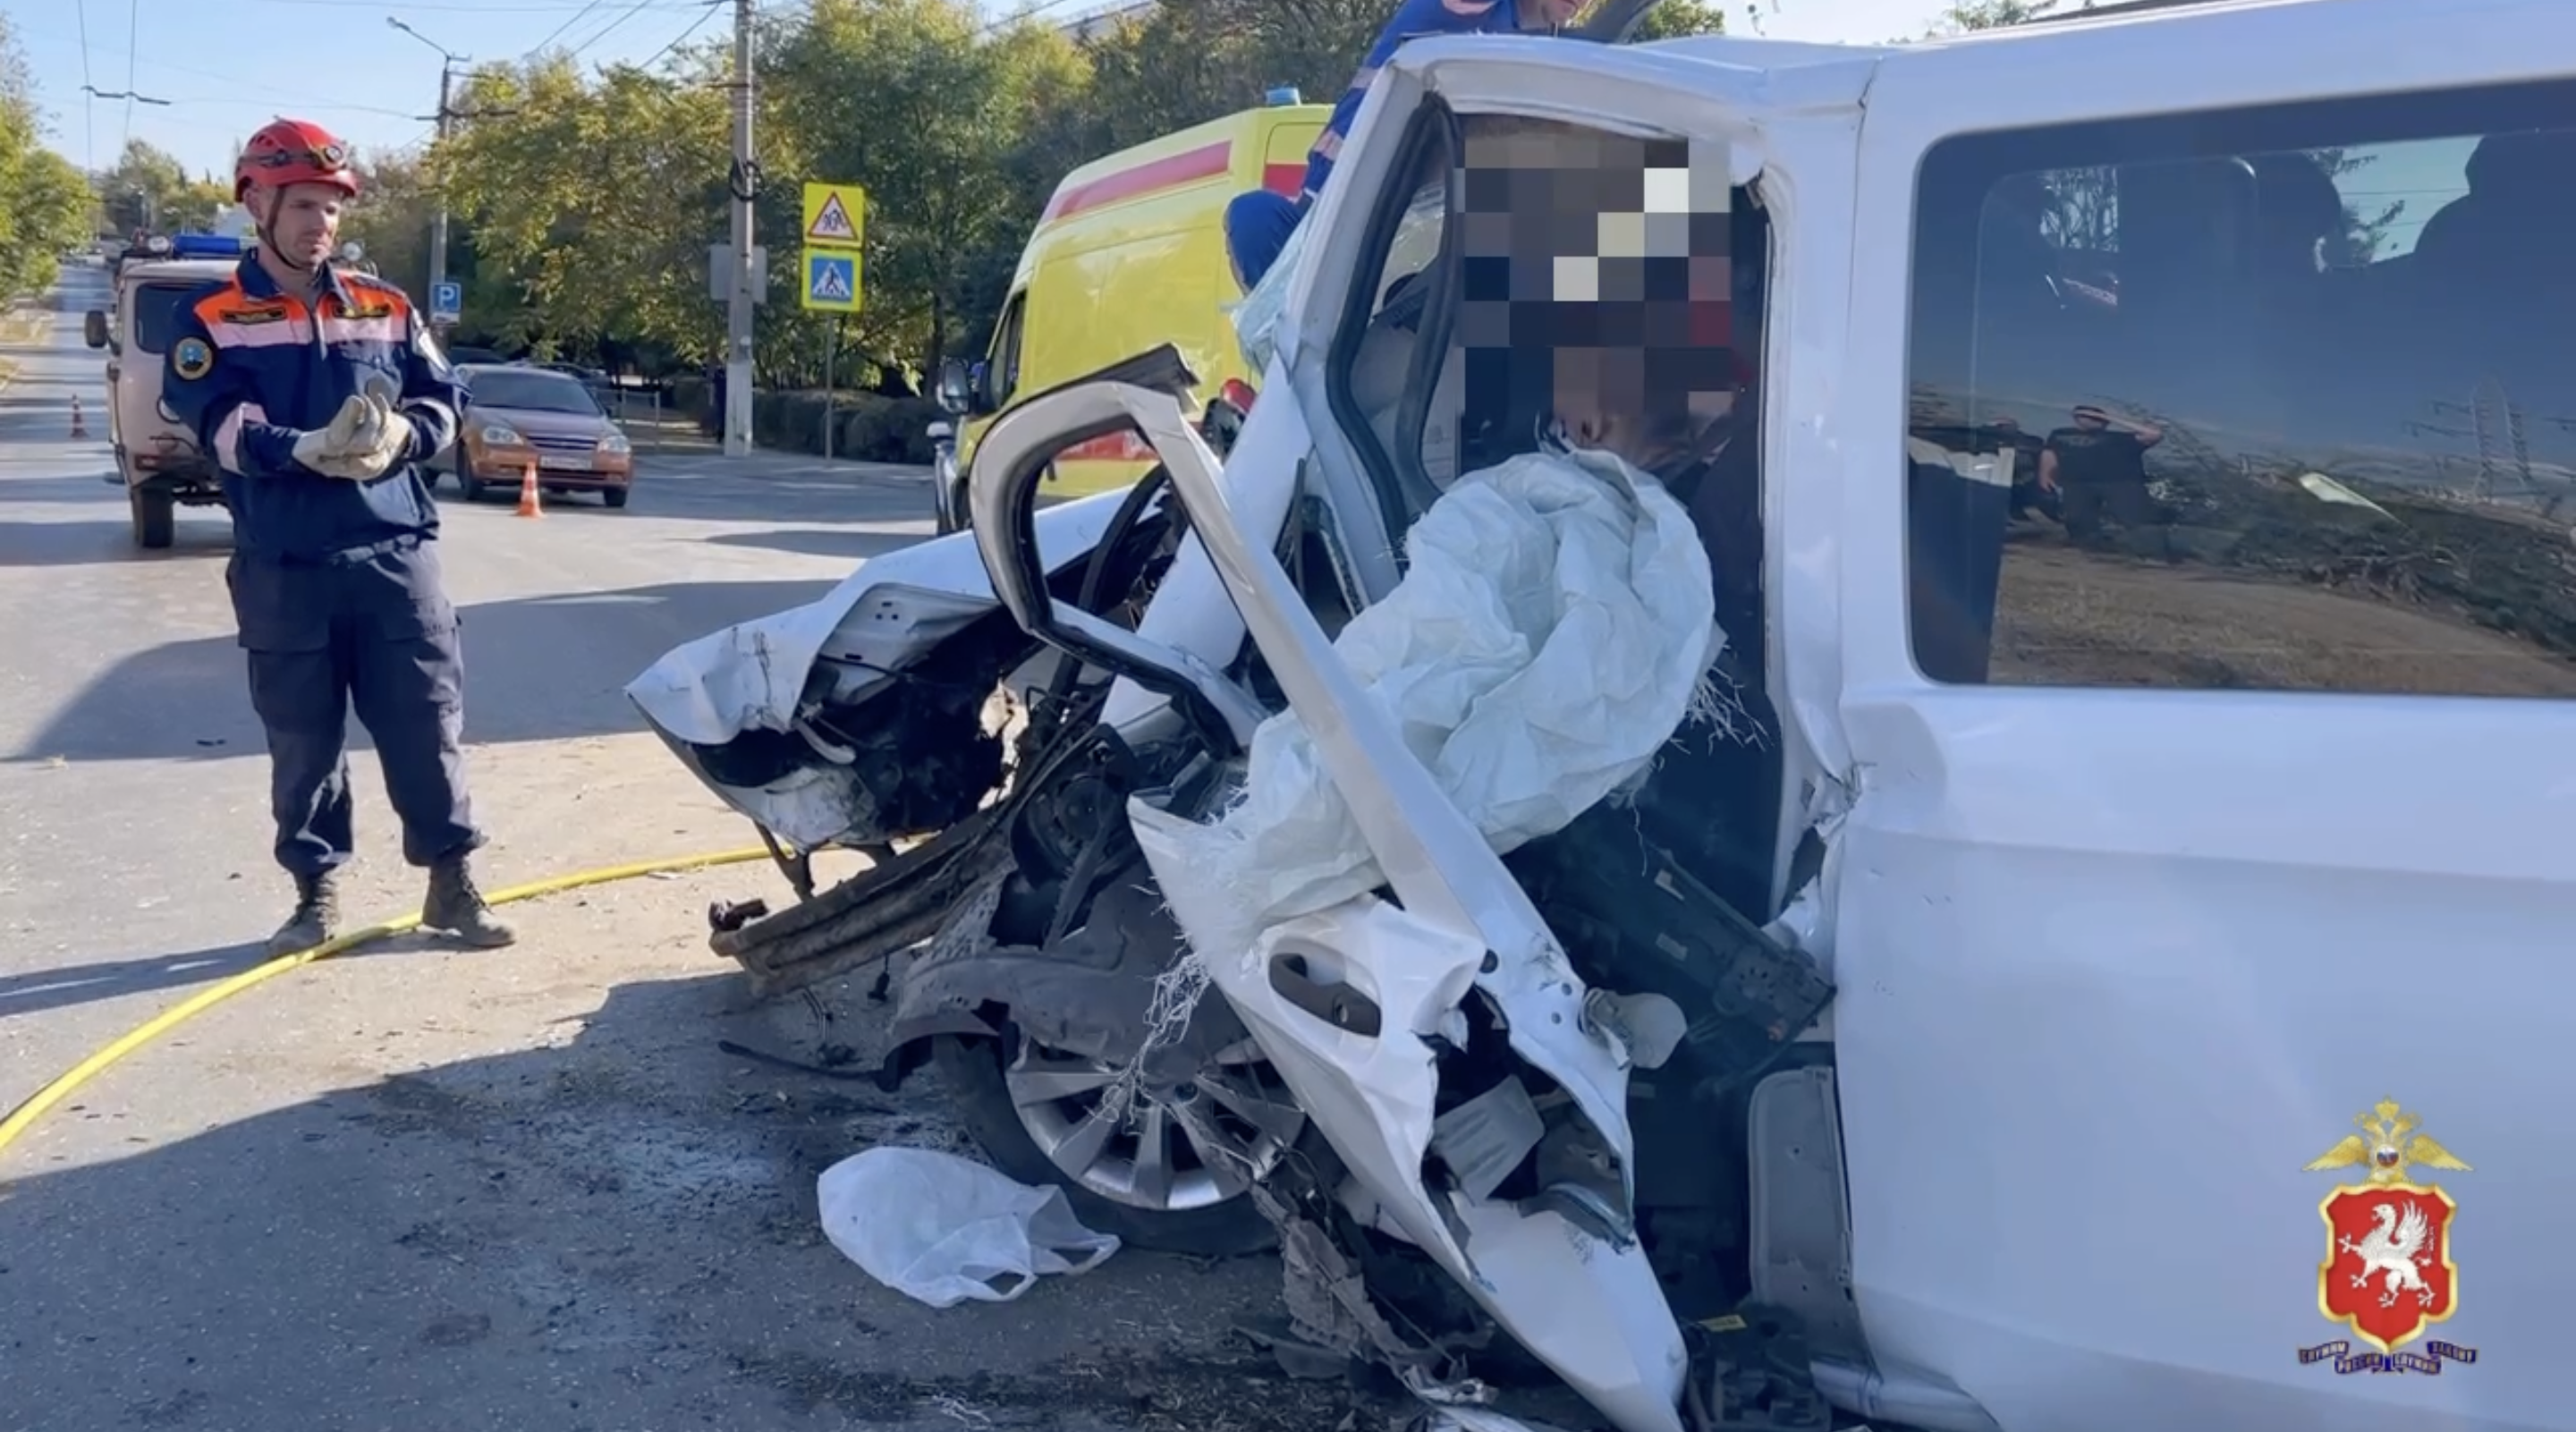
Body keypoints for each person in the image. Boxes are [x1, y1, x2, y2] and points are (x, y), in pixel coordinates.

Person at [163, 118, 515, 955]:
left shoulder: (385, 305)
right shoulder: (210, 316)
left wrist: (409, 438)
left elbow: (443, 396)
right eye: (305, 205)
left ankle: (451, 886)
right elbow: (211, 420)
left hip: (395, 555)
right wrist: (301, 449)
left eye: (331, 207)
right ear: (259, 202)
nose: (321, 222)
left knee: (428, 724)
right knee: (304, 738)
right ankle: (315, 894)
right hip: (287, 564)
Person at [1224, 0, 1584, 292]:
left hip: (1404, 237)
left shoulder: (1548, 45)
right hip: (1329, 220)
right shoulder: (1477, 11)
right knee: (1253, 217)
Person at [2038, 403, 2162, 540]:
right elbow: (2050, 453)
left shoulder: (2122, 438)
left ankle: (2149, 550)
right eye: (2082, 416)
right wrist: (2045, 474)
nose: (2086, 419)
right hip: (2076, 483)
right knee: (2078, 520)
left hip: (2121, 484)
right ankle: (2089, 550)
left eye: (2092, 417)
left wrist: (2109, 417)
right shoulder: (2060, 434)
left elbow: (2154, 434)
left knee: (2135, 520)